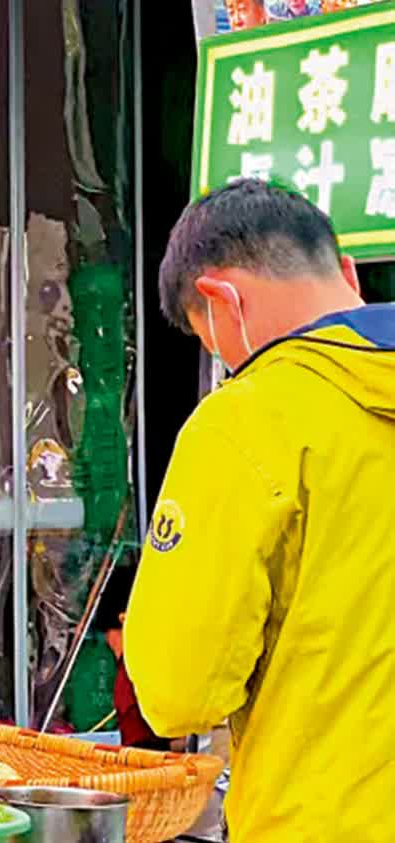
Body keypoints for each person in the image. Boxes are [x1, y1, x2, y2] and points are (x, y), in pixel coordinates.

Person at [125, 180, 395, 841]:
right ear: (349, 273)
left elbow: (179, 692)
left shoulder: (245, 420)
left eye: (212, 343)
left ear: (222, 301)